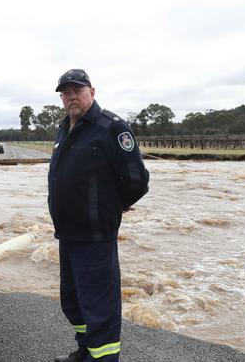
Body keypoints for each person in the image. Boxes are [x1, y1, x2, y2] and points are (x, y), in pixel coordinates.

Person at [48, 69, 149, 362]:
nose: (71, 97)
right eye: (65, 93)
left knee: (99, 309)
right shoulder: (64, 127)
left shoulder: (112, 128)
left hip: (95, 236)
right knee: (73, 302)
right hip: (67, 234)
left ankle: (103, 358)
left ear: (92, 91)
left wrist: (112, 205)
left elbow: (136, 179)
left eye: (77, 90)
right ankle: (86, 351)